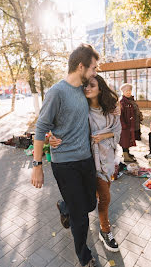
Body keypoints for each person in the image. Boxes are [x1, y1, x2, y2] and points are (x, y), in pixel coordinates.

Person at [31, 44, 99, 267]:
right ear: (81, 66)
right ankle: (84, 256)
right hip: (65, 163)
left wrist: (115, 108)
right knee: (81, 216)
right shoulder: (56, 92)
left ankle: (64, 206)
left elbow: (104, 96)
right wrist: (38, 165)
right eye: (93, 68)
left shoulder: (83, 89)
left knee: (89, 203)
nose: (95, 72)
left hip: (85, 159)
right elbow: (41, 129)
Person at [49, 75, 121, 252]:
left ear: (100, 88)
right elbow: (61, 123)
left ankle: (70, 208)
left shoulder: (111, 109)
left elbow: (118, 130)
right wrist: (52, 137)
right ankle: (101, 229)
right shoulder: (80, 108)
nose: (87, 88)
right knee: (95, 198)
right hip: (85, 160)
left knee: (97, 198)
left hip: (106, 159)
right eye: (85, 85)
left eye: (92, 85)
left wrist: (104, 135)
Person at [119, 83, 143, 162]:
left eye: (129, 90)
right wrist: (124, 125)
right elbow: (120, 115)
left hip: (131, 124)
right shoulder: (122, 102)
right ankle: (126, 156)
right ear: (123, 92)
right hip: (125, 125)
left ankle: (127, 153)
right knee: (125, 140)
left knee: (129, 140)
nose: (128, 92)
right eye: (126, 91)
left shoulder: (131, 100)